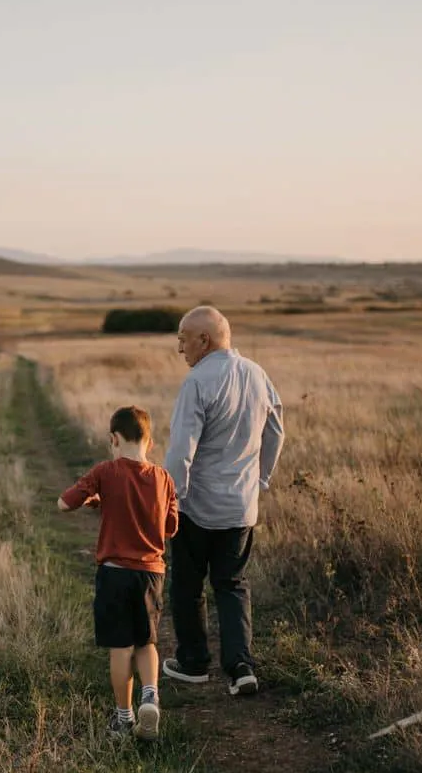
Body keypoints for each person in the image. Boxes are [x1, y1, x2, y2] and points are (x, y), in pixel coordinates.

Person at [162, 306, 284, 696]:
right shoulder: (256, 373)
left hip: (196, 506)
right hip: (240, 508)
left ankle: (195, 663)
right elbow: (276, 431)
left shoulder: (197, 381)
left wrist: (171, 498)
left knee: (186, 584)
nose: (180, 348)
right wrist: (260, 478)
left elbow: (182, 448)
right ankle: (240, 667)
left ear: (204, 340)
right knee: (232, 585)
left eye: (183, 339)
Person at [58, 406, 178, 740]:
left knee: (120, 647)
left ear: (113, 439)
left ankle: (124, 718)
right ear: (150, 442)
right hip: (152, 574)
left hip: (114, 574)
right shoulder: (164, 479)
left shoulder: (105, 472)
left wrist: (94, 498)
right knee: (147, 641)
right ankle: (150, 696)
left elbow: (65, 503)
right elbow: (170, 527)